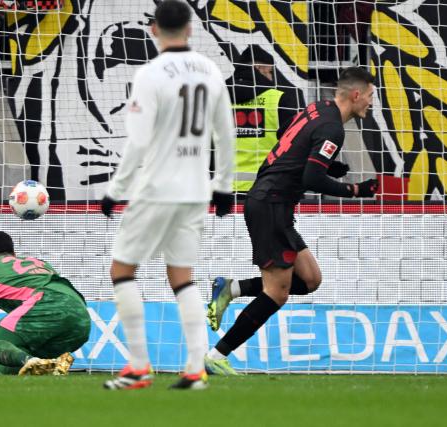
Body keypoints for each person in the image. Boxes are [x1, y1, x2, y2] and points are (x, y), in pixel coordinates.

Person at [204, 67, 379, 375]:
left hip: (274, 205)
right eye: (370, 96)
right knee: (277, 292)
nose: (371, 103)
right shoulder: (333, 128)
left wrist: (330, 166)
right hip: (271, 204)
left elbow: (291, 142)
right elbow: (311, 176)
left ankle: (231, 289)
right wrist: (354, 189)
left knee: (310, 279)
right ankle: (217, 354)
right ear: (356, 94)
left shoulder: (318, 109)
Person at [99, 0, 235, 390]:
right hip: (196, 191)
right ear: (190, 29)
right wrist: (223, 186)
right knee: (182, 279)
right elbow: (224, 132)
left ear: (154, 29)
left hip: (157, 188)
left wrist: (116, 190)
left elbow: (139, 140)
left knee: (122, 271)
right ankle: (195, 369)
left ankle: (139, 366)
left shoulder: (151, 73)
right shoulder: (210, 70)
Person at [0, 231, 91, 375]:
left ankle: (31, 361)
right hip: (81, 316)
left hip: (44, 301)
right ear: (14, 253)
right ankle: (50, 366)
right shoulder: (40, 262)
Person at [227, 45, 303, 194]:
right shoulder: (279, 98)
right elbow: (295, 145)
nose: (271, 78)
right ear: (259, 68)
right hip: (267, 189)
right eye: (269, 72)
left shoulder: (217, 96)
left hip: (222, 189)